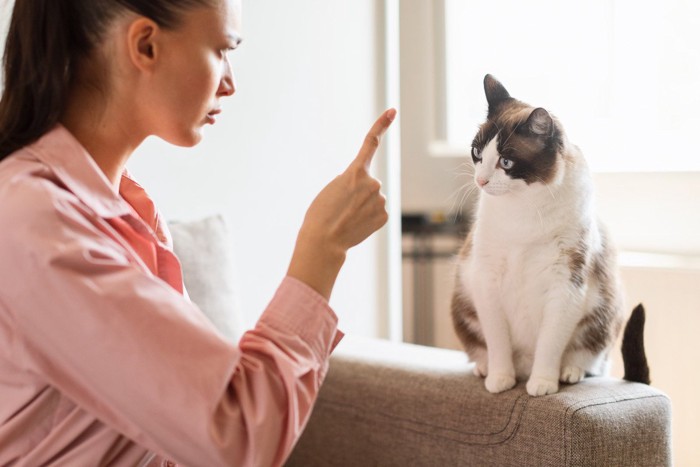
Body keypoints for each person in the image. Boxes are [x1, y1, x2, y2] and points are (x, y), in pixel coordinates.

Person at [0, 0, 395, 465]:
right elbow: (239, 433)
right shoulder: (38, 225)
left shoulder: (121, 211)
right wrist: (322, 247)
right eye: (221, 50)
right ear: (146, 45)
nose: (230, 83)